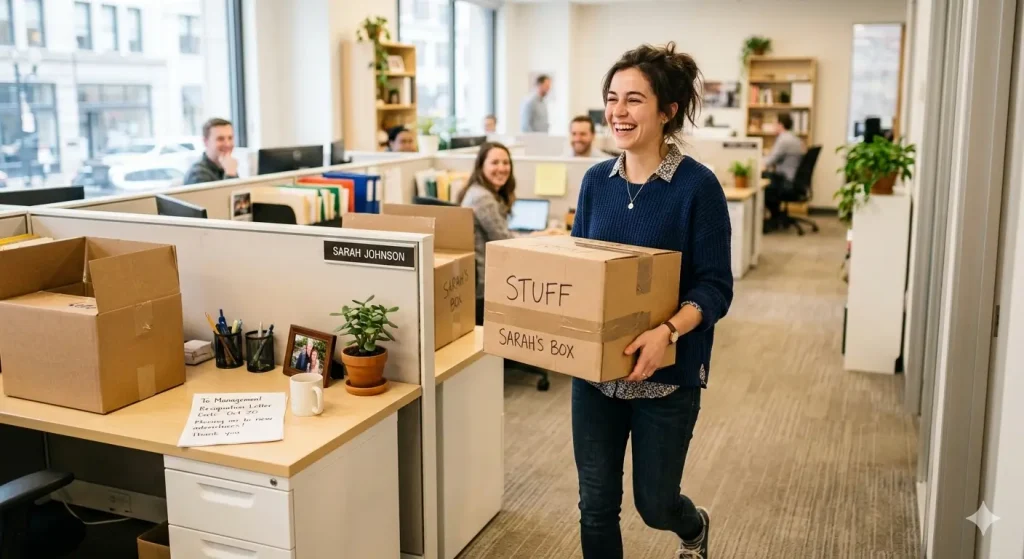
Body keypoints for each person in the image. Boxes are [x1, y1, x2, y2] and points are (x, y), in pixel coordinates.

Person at [570, 42, 733, 559]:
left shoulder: (697, 188)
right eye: (612, 98)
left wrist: (668, 332)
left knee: (654, 504)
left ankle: (693, 526)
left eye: (634, 100)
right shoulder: (596, 182)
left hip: (665, 376)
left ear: (669, 110)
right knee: (595, 506)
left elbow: (715, 287)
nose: (617, 112)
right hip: (596, 376)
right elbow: (580, 270)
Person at [457, 142, 517, 325]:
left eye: (505, 163)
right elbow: (505, 241)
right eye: (495, 162)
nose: (501, 168)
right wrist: (540, 236)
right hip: (483, 286)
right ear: (481, 166)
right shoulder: (482, 198)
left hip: (483, 280)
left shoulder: (483, 192)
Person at [762, 114, 806, 229]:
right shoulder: (795, 138)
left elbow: (770, 161)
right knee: (768, 178)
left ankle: (774, 217)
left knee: (763, 181)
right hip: (794, 181)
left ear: (780, 125)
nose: (773, 126)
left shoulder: (783, 139)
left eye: (774, 124)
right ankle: (776, 215)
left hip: (786, 182)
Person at [184, 118, 238, 185]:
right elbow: (226, 195)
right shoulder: (198, 174)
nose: (227, 144)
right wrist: (230, 175)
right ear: (205, 142)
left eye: (230, 138)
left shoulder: (226, 166)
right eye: (220, 139)